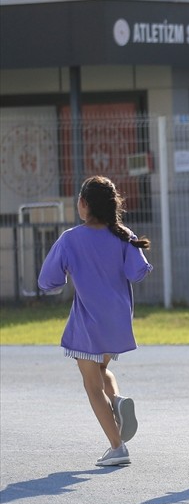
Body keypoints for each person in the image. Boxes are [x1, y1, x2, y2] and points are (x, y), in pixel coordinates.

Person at [37, 175, 153, 467]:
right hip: (118, 319)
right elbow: (137, 272)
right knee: (101, 370)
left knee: (91, 385)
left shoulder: (70, 239)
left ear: (84, 204)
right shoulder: (123, 234)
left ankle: (117, 447)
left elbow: (48, 281)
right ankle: (118, 401)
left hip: (88, 321)